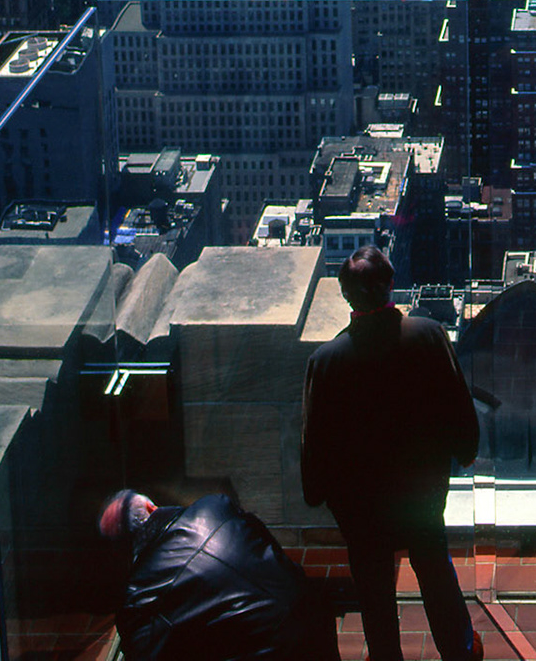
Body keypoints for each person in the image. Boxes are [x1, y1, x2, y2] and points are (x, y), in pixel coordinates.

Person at [300, 246, 483, 661]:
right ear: (390, 285)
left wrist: (319, 493)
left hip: (361, 506)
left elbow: (316, 440)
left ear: (346, 296)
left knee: (372, 586)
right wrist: (466, 450)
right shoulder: (428, 335)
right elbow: (457, 403)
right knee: (435, 569)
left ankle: (385, 656)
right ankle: (460, 648)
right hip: (422, 491)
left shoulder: (325, 362)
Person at [100, 487, 335, 661]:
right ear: (152, 507)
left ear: (120, 551)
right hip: (313, 617)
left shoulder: (139, 598)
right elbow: (268, 547)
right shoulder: (216, 506)